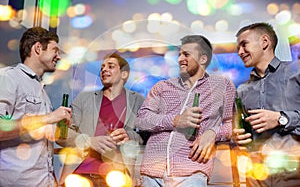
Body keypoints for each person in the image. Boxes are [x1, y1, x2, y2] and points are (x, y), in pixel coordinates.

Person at [135, 35, 236, 186]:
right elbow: (142, 120)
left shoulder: (222, 85)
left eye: (186, 54)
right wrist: (175, 121)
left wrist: (213, 132)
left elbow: (232, 124)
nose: (180, 59)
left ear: (203, 59)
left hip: (192, 173)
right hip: (152, 173)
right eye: (180, 54)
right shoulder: (162, 86)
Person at [57, 53, 145, 187]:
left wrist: (130, 135)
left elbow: (147, 137)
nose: (104, 70)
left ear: (124, 74)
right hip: (80, 175)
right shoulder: (84, 99)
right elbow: (61, 135)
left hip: (118, 178)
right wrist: (89, 141)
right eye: (102, 67)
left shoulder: (137, 100)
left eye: (111, 66)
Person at [0, 27, 72, 186]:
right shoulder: (8, 78)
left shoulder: (41, 90)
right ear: (38, 48)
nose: (58, 57)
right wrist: (49, 118)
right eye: (55, 50)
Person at [233, 22, 300, 186]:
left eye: (244, 44)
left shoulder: (296, 72)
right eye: (238, 48)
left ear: (264, 42)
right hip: (256, 177)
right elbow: (238, 130)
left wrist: (281, 119)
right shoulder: (242, 91)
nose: (240, 52)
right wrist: (236, 136)